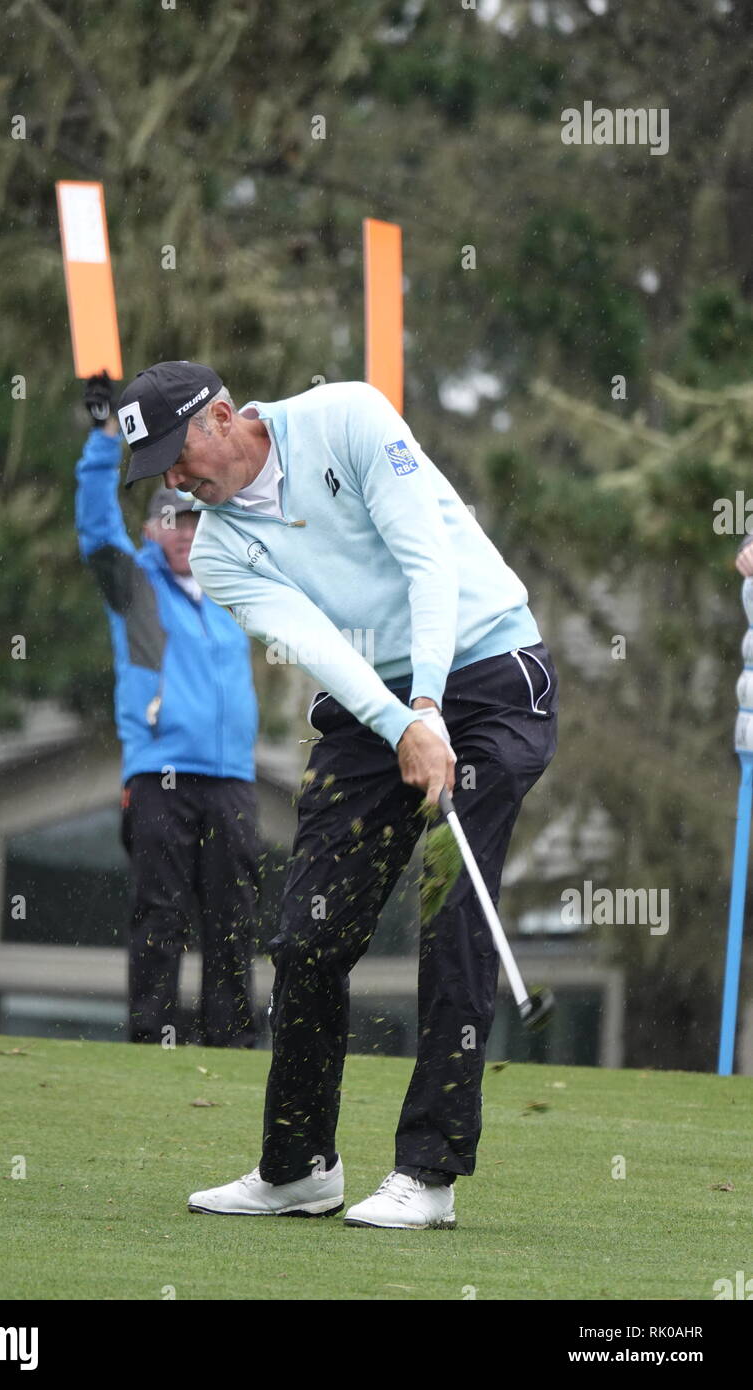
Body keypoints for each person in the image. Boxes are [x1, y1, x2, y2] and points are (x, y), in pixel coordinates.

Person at [115, 360, 559, 1228]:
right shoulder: (217, 547)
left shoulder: (347, 417)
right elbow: (325, 648)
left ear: (220, 416)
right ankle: (299, 1165)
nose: (174, 478)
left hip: (490, 670)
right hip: (373, 706)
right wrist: (402, 725)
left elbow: (425, 557)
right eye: (158, 469)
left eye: (177, 452)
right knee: (309, 933)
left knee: (453, 914)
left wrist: (429, 705)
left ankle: (428, 1174)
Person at [75, 372, 260, 1048]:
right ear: (153, 529)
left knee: (234, 917)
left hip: (232, 775)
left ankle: (232, 1041)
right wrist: (102, 437)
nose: (183, 532)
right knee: (160, 912)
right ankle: (151, 1034)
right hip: (161, 772)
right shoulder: (134, 585)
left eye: (191, 520)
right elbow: (95, 523)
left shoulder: (232, 583)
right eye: (170, 521)